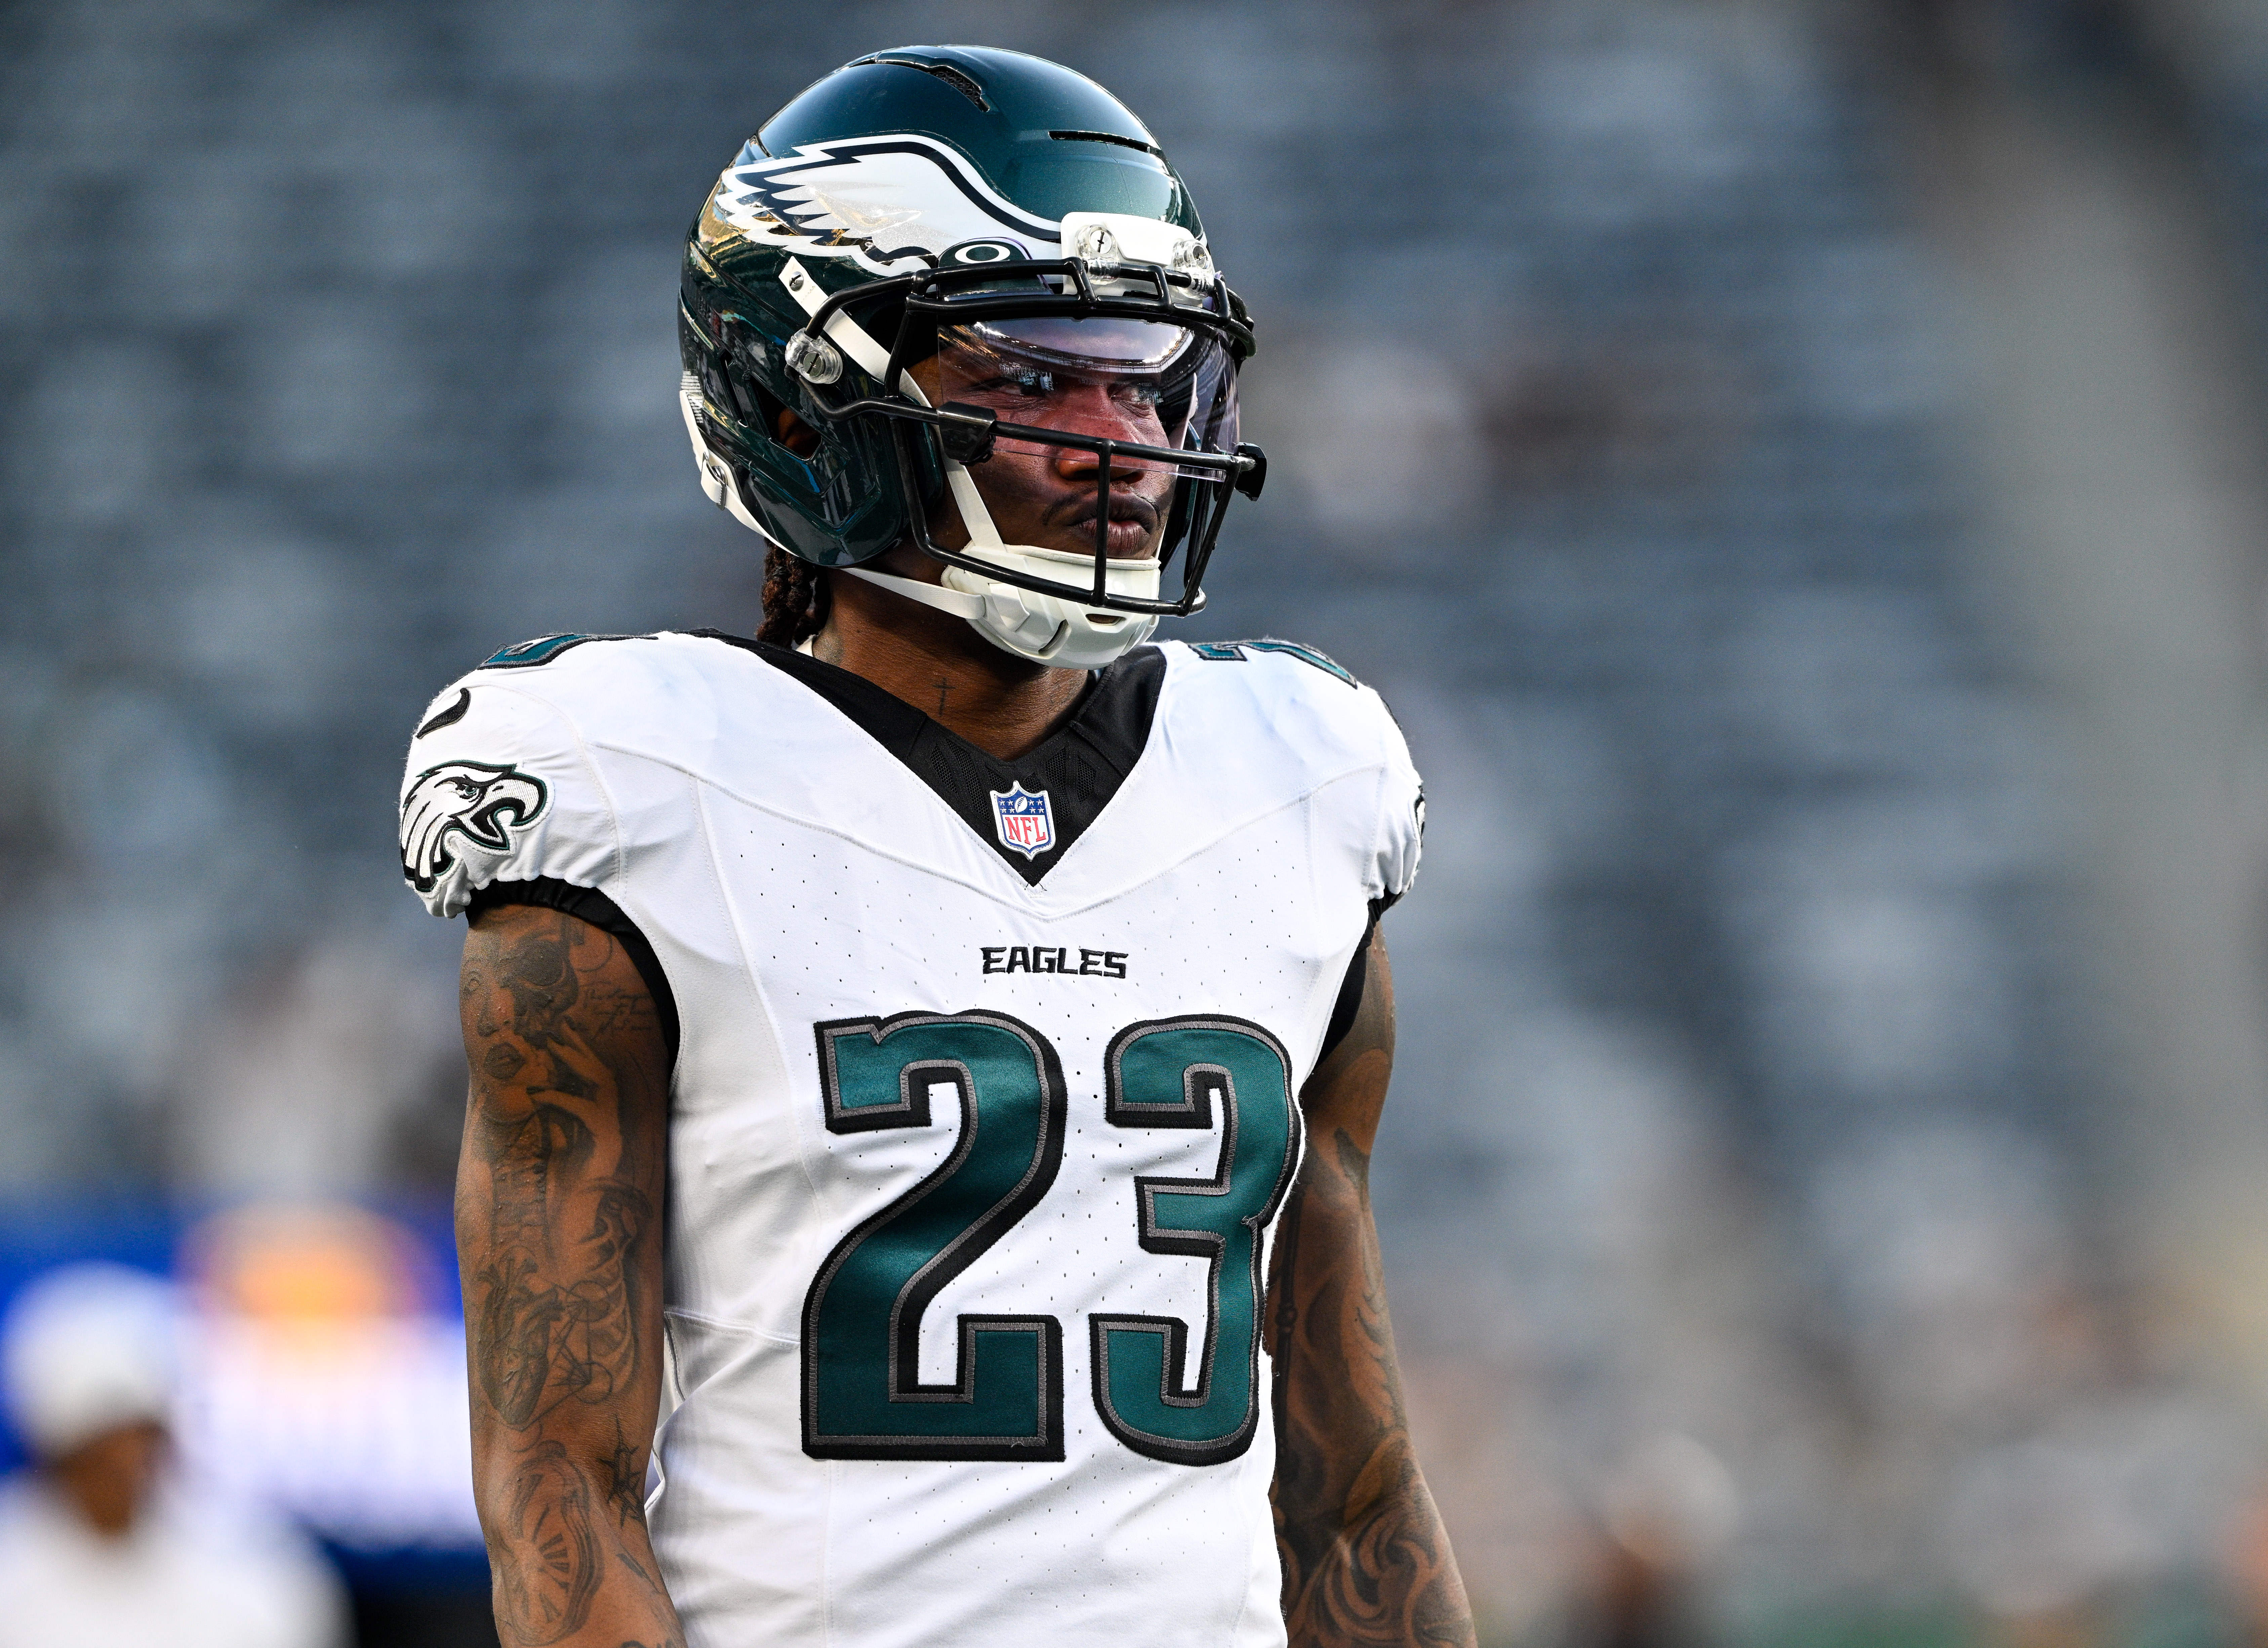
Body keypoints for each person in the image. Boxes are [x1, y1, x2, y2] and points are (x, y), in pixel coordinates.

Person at [399, 45, 1472, 1648]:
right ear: (794, 398)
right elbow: (560, 1477)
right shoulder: (634, 788)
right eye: (1031, 377)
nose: (1112, 438)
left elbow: (1354, 1498)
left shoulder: (1298, 784)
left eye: (1140, 373)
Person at [0, 1263, 346, 1648]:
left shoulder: (255, 1561)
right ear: (53, 1454)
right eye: (100, 1446)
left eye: (145, 1436)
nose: (127, 1463)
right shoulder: (11, 1563)